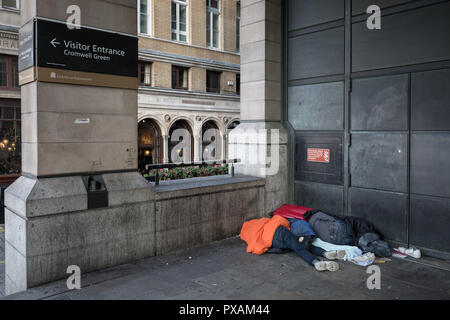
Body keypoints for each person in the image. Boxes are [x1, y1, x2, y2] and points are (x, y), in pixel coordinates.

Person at [241, 215, 345, 272]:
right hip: (279, 231)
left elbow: (258, 249)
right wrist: (287, 227)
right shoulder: (261, 221)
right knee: (299, 247)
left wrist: (272, 248)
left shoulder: (250, 238)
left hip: (274, 243)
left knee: (300, 245)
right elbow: (280, 220)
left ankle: (325, 253)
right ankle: (316, 261)